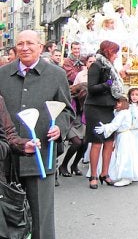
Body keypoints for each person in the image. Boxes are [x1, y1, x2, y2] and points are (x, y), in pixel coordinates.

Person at [0, 30, 73, 238]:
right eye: (20, 44)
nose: (25, 48)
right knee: (8, 220)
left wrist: (59, 127)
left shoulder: (56, 74)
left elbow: (67, 111)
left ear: (40, 47)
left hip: (41, 158)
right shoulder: (2, 74)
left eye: (30, 43)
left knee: (41, 219)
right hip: (8, 160)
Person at [85, 40, 125, 189]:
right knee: (97, 142)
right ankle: (93, 175)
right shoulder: (96, 65)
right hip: (95, 107)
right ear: (108, 51)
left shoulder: (110, 66)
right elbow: (91, 88)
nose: (116, 56)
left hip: (108, 107)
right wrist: (107, 84)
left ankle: (105, 173)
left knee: (109, 141)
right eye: (115, 52)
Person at [95, 92, 138, 187]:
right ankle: (128, 176)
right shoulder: (121, 112)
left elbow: (115, 125)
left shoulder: (124, 113)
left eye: (119, 103)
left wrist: (104, 128)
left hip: (124, 136)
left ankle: (126, 177)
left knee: (124, 156)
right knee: (125, 155)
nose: (117, 104)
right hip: (123, 136)